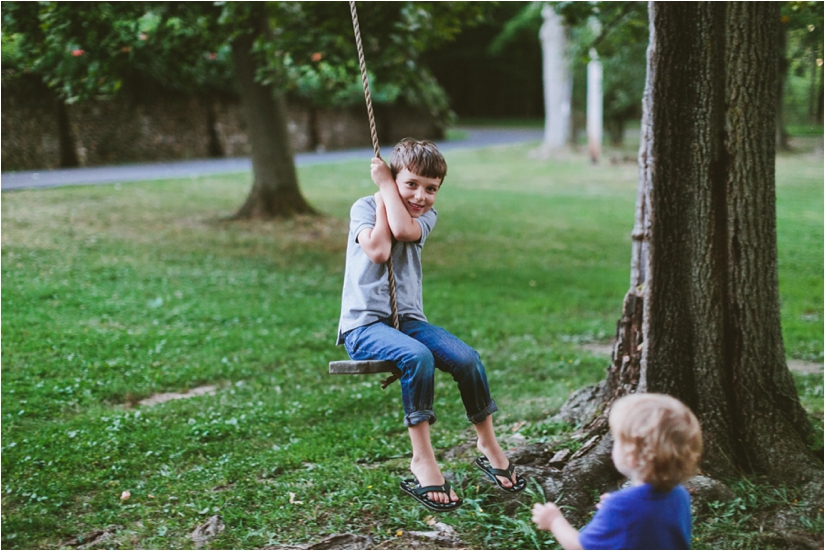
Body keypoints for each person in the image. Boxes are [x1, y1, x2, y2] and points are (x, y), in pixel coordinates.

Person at [337, 138, 526, 512]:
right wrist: (383, 191)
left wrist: (388, 188)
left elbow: (404, 231)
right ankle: (422, 458)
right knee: (418, 357)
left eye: (431, 188)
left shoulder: (424, 217)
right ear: (393, 178)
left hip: (406, 321)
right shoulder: (364, 206)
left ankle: (487, 443)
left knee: (467, 359)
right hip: (363, 327)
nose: (421, 196)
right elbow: (378, 250)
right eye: (411, 184)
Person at [532, 393, 703, 549]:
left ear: (632, 456)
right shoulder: (679, 495)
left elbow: (581, 547)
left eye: (617, 441)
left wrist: (554, 521)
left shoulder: (622, 506)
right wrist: (615, 509)